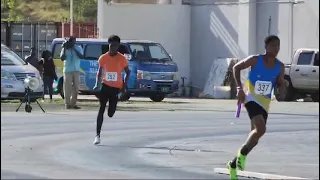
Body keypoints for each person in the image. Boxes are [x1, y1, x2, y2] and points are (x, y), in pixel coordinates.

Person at [226, 35, 287, 180]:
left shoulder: (280, 66)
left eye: (278, 46)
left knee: (255, 136)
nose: (276, 48)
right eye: (273, 45)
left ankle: (233, 164)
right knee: (261, 129)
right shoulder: (256, 59)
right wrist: (239, 88)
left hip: (265, 102)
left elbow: (280, 83)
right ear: (266, 47)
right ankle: (242, 154)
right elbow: (236, 67)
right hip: (250, 97)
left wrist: (283, 86)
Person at [92, 35, 130, 145]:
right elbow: (99, 72)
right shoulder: (103, 58)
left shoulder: (122, 58)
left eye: (115, 46)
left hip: (116, 88)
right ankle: (97, 136)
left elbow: (128, 72)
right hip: (105, 86)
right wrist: (96, 84)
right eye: (111, 45)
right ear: (108, 45)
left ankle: (112, 105)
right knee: (101, 109)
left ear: (118, 46)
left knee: (110, 113)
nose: (113, 48)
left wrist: (124, 86)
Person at [60, 36, 84, 109]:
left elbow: (81, 56)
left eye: (73, 41)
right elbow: (62, 58)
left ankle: (73, 103)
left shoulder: (78, 48)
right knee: (67, 88)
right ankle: (67, 104)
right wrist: (64, 48)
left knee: (76, 87)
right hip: (67, 70)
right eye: (71, 41)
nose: (72, 42)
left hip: (76, 70)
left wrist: (73, 48)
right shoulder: (65, 48)